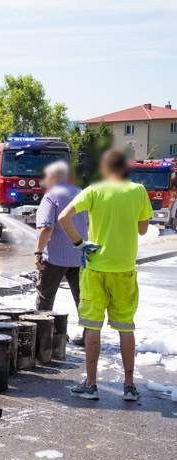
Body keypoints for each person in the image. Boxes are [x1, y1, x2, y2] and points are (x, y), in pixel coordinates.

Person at [58, 148, 153, 401]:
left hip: (95, 267)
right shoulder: (138, 191)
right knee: (125, 327)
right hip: (124, 270)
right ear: (125, 168)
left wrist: (79, 243)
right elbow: (143, 230)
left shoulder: (94, 190)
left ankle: (91, 385)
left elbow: (63, 217)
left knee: (92, 327)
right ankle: (130, 386)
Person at [34, 161, 89, 330]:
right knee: (83, 299)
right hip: (79, 258)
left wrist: (38, 253)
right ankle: (89, 336)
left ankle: (43, 337)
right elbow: (87, 225)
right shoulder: (82, 194)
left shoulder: (51, 196)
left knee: (45, 297)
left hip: (55, 259)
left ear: (54, 177)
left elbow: (47, 227)